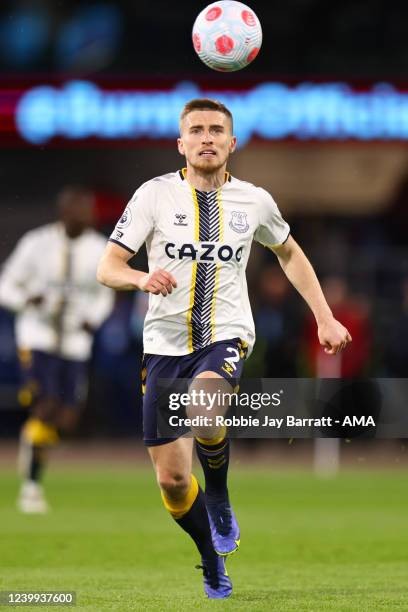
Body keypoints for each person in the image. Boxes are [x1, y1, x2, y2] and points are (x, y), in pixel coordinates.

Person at [97, 99, 352, 599]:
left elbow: (289, 252)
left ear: (232, 143)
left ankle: (218, 494)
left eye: (217, 130)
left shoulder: (254, 200)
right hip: (164, 348)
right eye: (196, 130)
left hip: (225, 334)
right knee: (172, 481)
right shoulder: (153, 195)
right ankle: (210, 558)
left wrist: (324, 315)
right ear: (181, 143)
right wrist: (140, 277)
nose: (206, 137)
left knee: (205, 404)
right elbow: (107, 266)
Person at [0, 186, 114, 513]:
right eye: (77, 210)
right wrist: (25, 300)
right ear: (63, 212)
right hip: (37, 337)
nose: (83, 216)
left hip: (76, 343)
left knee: (66, 419)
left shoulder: (98, 249)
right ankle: (31, 487)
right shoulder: (37, 244)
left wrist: (94, 319)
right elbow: (6, 284)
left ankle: (33, 443)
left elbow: (104, 292)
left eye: (87, 211)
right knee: (46, 406)